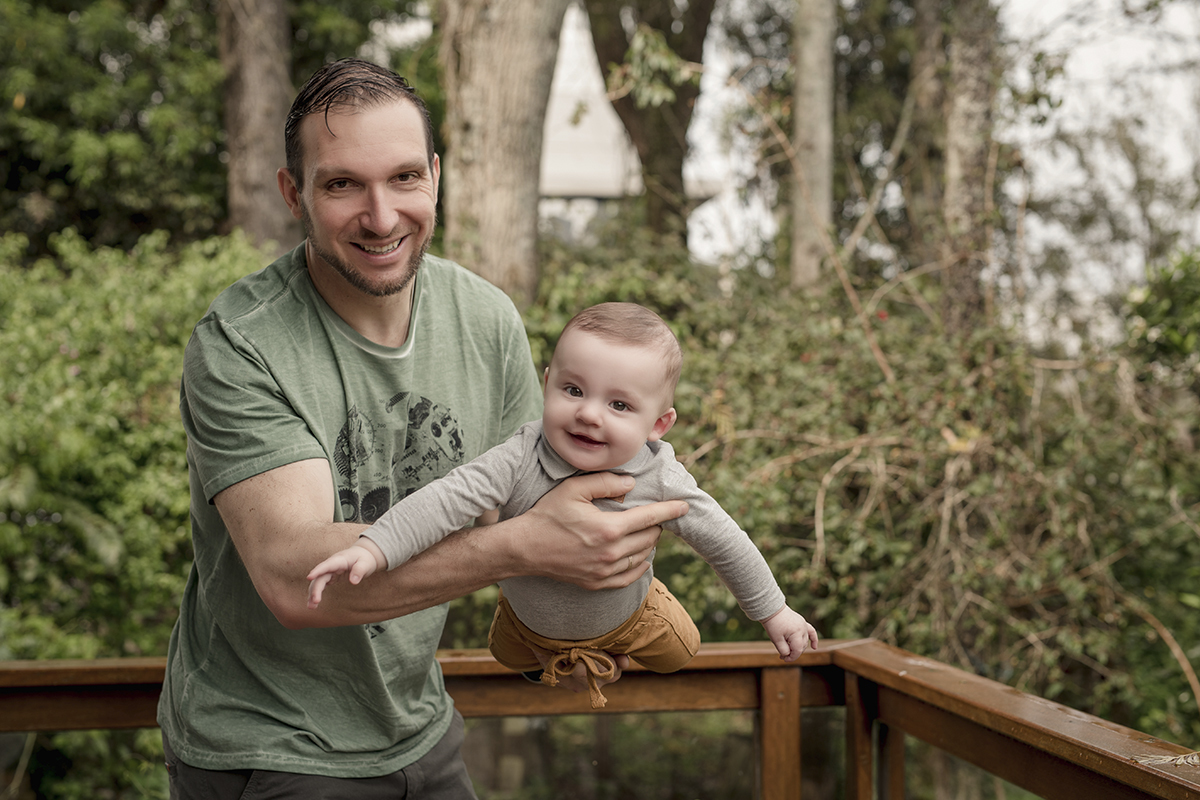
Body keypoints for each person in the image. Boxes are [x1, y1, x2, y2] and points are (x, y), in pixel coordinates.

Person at [156, 58, 687, 799]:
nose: (382, 216)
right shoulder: (242, 344)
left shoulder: (486, 320)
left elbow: (536, 508)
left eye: (405, 178)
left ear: (434, 176)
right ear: (293, 193)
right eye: (343, 184)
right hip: (270, 744)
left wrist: (589, 615)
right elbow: (293, 578)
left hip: (424, 729)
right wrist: (526, 546)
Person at [307, 302, 819, 708]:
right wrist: (375, 546)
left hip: (627, 616)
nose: (589, 415)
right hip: (528, 626)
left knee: (680, 652)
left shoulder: (661, 476)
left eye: (619, 405)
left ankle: (620, 631)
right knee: (504, 653)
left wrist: (773, 611)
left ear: (658, 425)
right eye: (573, 389)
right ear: (547, 383)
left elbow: (725, 541)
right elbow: (446, 498)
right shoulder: (520, 456)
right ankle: (553, 655)